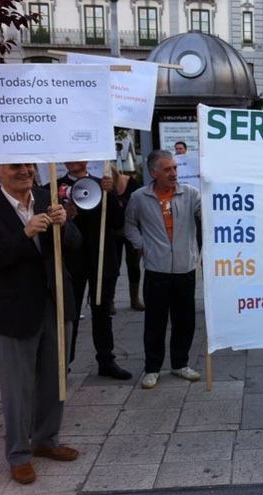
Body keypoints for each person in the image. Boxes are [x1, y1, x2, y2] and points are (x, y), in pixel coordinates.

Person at [0, 163, 81, 485]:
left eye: (28, 166)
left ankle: (46, 440)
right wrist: (25, 234)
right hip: (14, 311)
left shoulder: (46, 197)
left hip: (56, 302)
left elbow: (75, 246)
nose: (24, 171)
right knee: (17, 388)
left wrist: (64, 225)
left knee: (55, 378)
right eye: (15, 167)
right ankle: (19, 454)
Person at [125, 150, 202, 389]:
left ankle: (180, 363)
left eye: (175, 168)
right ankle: (152, 367)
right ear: (153, 172)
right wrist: (142, 246)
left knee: (185, 320)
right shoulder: (139, 197)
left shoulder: (190, 194)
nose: (173, 173)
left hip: (185, 269)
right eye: (167, 169)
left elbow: (210, 212)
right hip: (156, 271)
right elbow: (129, 225)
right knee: (155, 322)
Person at [57, 161, 132, 380]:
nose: (74, 161)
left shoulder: (103, 185)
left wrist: (110, 194)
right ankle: (64, 363)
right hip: (71, 260)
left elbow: (118, 222)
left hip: (102, 258)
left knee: (102, 311)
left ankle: (106, 360)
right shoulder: (54, 187)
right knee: (70, 313)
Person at [108, 165, 144, 312]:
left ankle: (134, 299)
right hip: (112, 232)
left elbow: (141, 204)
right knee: (112, 267)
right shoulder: (101, 187)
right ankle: (110, 300)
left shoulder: (131, 183)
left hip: (131, 229)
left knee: (134, 265)